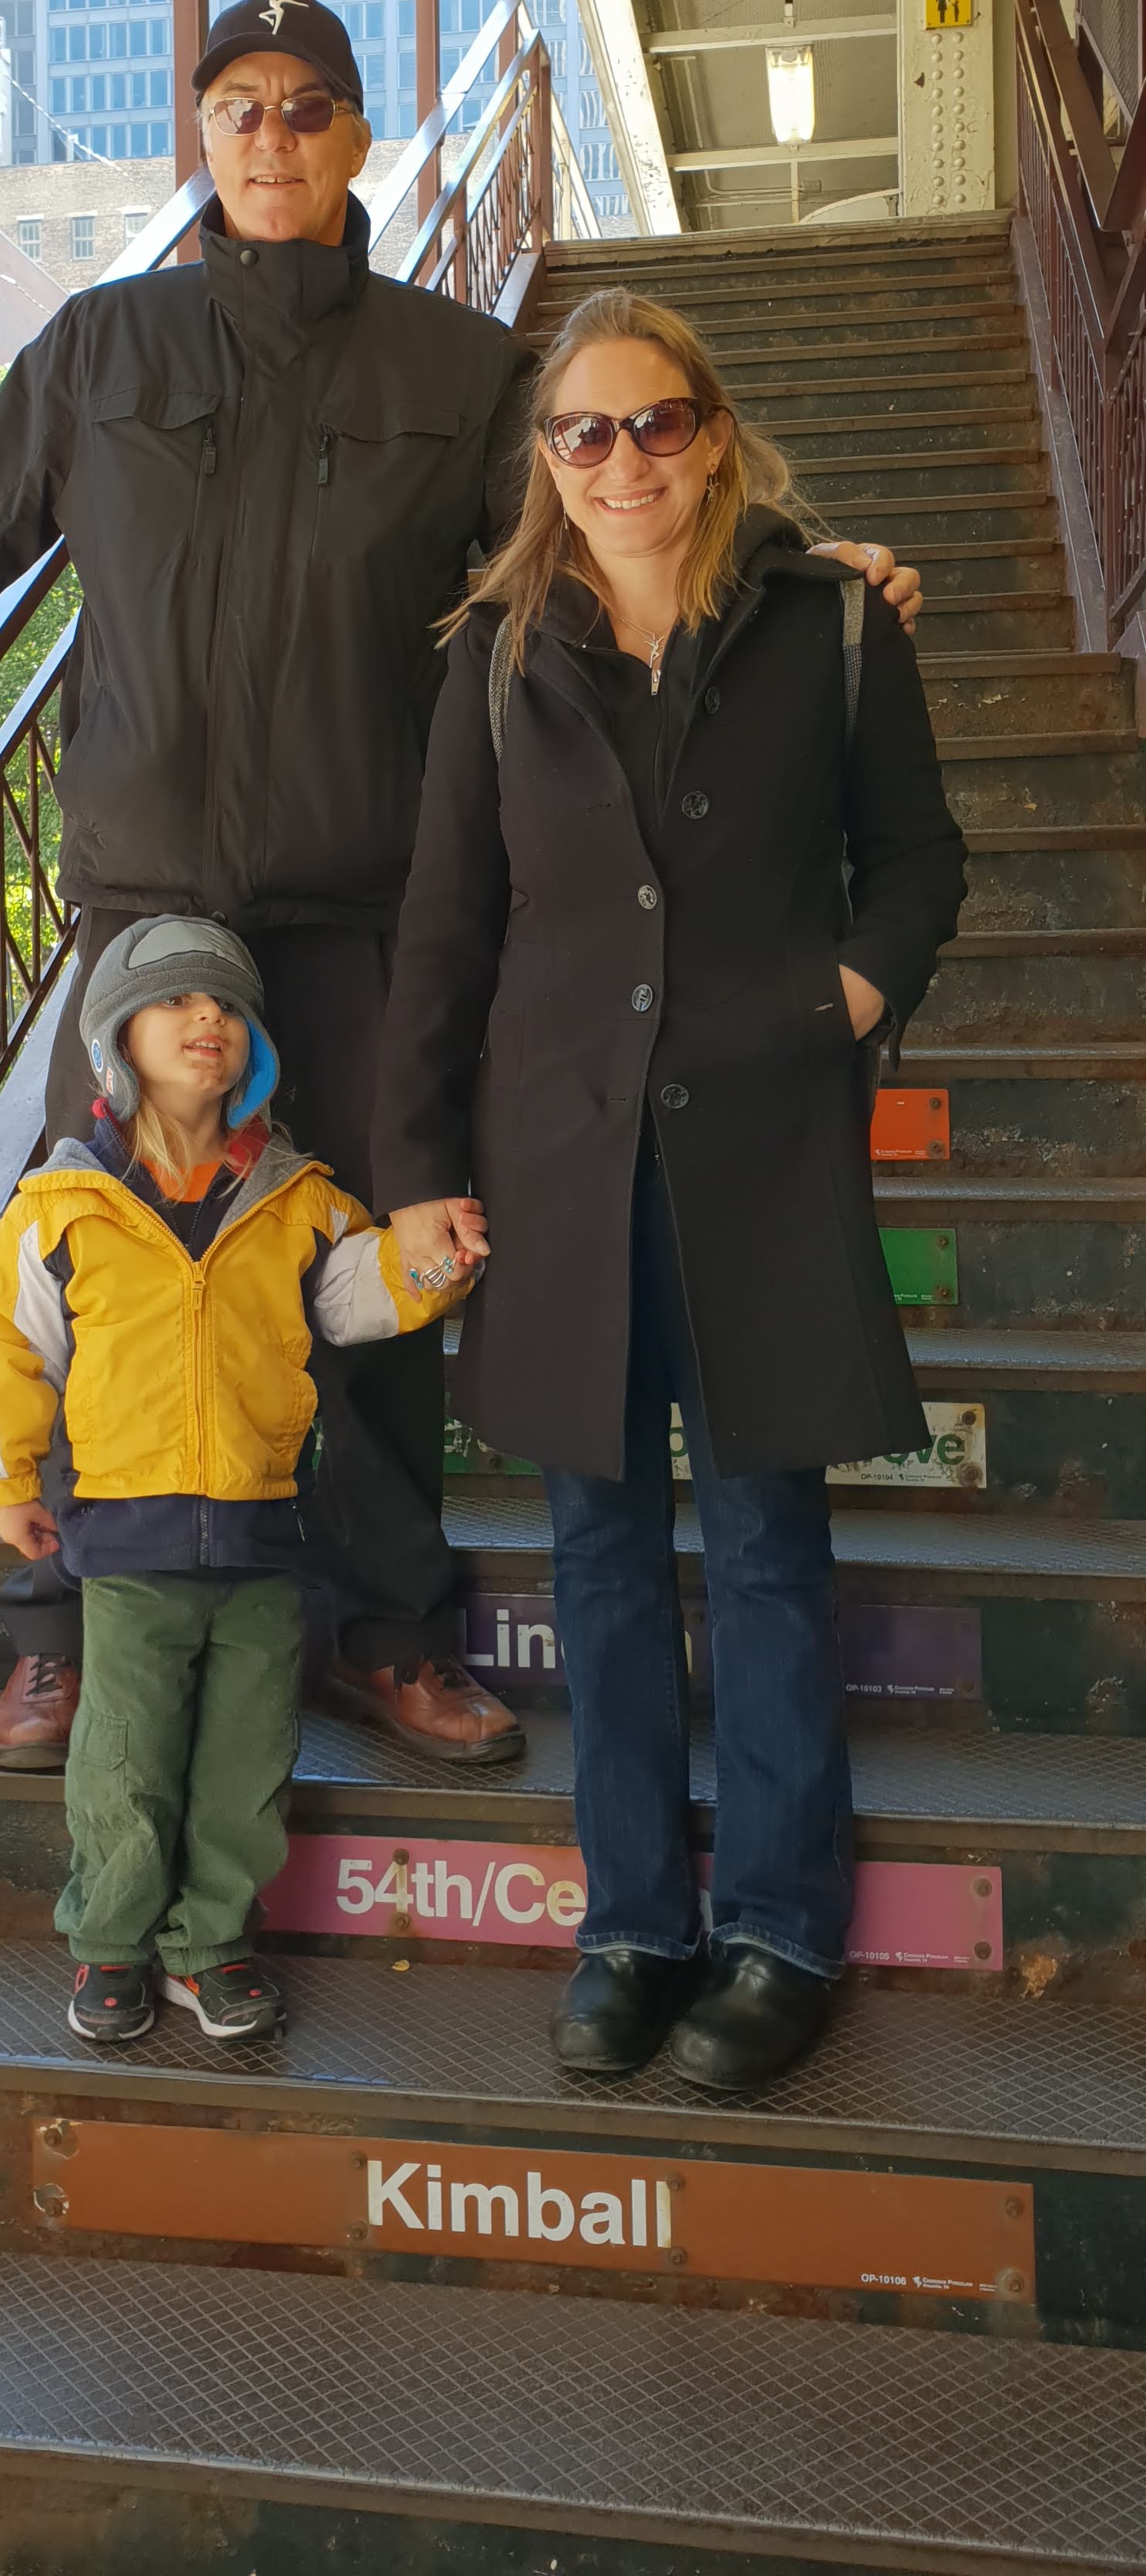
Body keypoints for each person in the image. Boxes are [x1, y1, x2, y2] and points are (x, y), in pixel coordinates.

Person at [0, 0, 924, 1774]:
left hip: (372, 915)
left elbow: (607, 521)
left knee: (384, 1279)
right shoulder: (100, 352)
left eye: (305, 106)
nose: (270, 135)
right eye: (237, 105)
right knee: (97, 1270)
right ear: (201, 133)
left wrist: (798, 574)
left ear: (353, 139)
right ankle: (69, 1628)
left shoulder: (456, 374)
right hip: (149, 921)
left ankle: (387, 1635)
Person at [374, 288, 966, 2096]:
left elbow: (915, 862)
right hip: (558, 1160)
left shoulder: (829, 624)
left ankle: (781, 1933)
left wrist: (841, 1000)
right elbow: (443, 933)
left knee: (770, 1553)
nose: (619, 459)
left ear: (710, 433)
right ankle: (631, 1926)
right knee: (601, 1557)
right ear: (544, 459)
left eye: (654, 422)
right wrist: (415, 1173)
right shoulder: (493, 657)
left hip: (761, 1148)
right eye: (583, 430)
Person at [0, 915, 474, 2046]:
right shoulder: (60, 1205)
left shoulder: (300, 1198)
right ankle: (110, 1943)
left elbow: (359, 1297)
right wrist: (2, 1480)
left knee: (247, 1762)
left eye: (229, 1007)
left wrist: (434, 1262)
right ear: (115, 1042)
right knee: (126, 1759)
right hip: (126, 1541)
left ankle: (211, 1946)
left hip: (264, 1535)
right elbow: (8, 1349)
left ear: (258, 1050)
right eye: (177, 1001)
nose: (209, 1019)